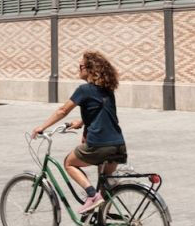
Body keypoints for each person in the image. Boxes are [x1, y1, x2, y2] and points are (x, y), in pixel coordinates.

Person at [31, 51, 127, 215]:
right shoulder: (107, 91)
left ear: (89, 69)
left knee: (69, 163)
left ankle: (91, 195)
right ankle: (99, 223)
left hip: (99, 145)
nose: (79, 69)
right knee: (105, 186)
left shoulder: (84, 90)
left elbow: (62, 111)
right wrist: (81, 122)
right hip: (118, 145)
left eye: (80, 66)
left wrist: (42, 127)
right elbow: (102, 111)